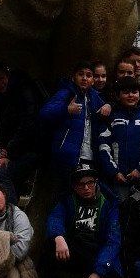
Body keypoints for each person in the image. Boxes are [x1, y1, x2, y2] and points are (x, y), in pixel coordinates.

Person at [39, 61, 110, 191]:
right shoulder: (66, 93)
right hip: (67, 156)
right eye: (81, 74)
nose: (84, 78)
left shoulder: (94, 96)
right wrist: (66, 109)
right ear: (73, 77)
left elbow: (106, 111)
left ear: (92, 80)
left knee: (87, 193)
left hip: (90, 156)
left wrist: (108, 106)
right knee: (65, 193)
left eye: (88, 75)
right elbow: (44, 113)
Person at [97, 77, 140, 201]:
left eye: (134, 92)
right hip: (117, 178)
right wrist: (114, 172)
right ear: (118, 95)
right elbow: (103, 146)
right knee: (120, 209)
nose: (131, 95)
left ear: (139, 94)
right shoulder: (111, 117)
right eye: (126, 92)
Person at [0, 62, 44, 204]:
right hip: (14, 151)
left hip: (34, 148)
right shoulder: (0, 101)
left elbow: (28, 124)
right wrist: (1, 150)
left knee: (0, 174)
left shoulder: (23, 92)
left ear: (8, 76)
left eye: (1, 78)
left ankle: (11, 214)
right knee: (7, 178)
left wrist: (8, 152)